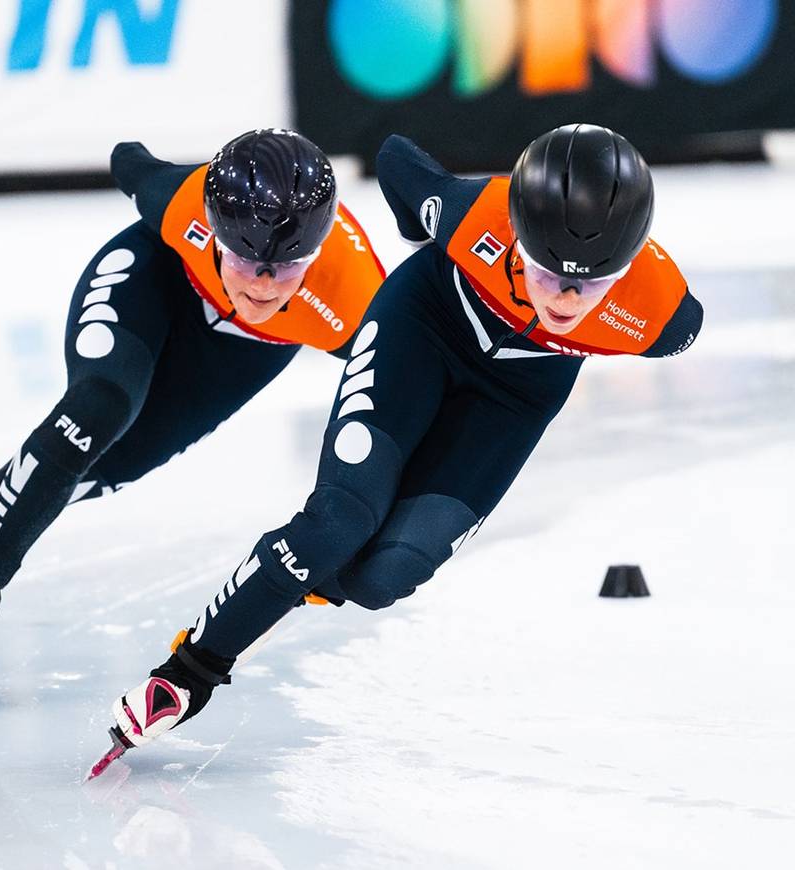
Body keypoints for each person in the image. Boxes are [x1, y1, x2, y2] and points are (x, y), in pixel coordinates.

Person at [90, 122, 704, 766]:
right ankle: (188, 671)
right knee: (338, 522)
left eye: (593, 283)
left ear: (629, 266)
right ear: (516, 233)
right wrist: (423, 237)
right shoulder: (472, 218)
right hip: (423, 326)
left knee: (384, 573)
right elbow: (394, 159)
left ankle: (287, 578)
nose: (568, 297)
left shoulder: (664, 316)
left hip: (514, 398)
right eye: (546, 271)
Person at [0, 129, 386, 679]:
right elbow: (131, 162)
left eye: (289, 267)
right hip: (154, 283)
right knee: (99, 407)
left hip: (242, 354)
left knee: (97, 471)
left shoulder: (356, 302)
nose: (263, 287)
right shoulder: (181, 201)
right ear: (214, 231)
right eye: (244, 259)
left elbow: (418, 393)